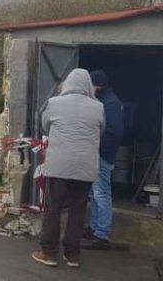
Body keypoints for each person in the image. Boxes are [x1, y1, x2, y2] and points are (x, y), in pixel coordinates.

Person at [32, 68, 105, 268]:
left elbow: (46, 126)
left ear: (68, 83)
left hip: (59, 164)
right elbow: (102, 129)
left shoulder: (54, 103)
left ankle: (48, 252)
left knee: (53, 208)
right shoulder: (98, 106)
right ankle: (72, 255)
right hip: (86, 167)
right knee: (78, 210)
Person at [82, 70, 124, 250]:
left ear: (97, 85)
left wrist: (95, 147)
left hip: (102, 155)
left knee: (101, 194)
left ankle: (102, 235)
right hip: (98, 154)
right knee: (94, 194)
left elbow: (114, 133)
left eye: (91, 85)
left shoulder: (111, 104)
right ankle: (94, 228)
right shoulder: (105, 101)